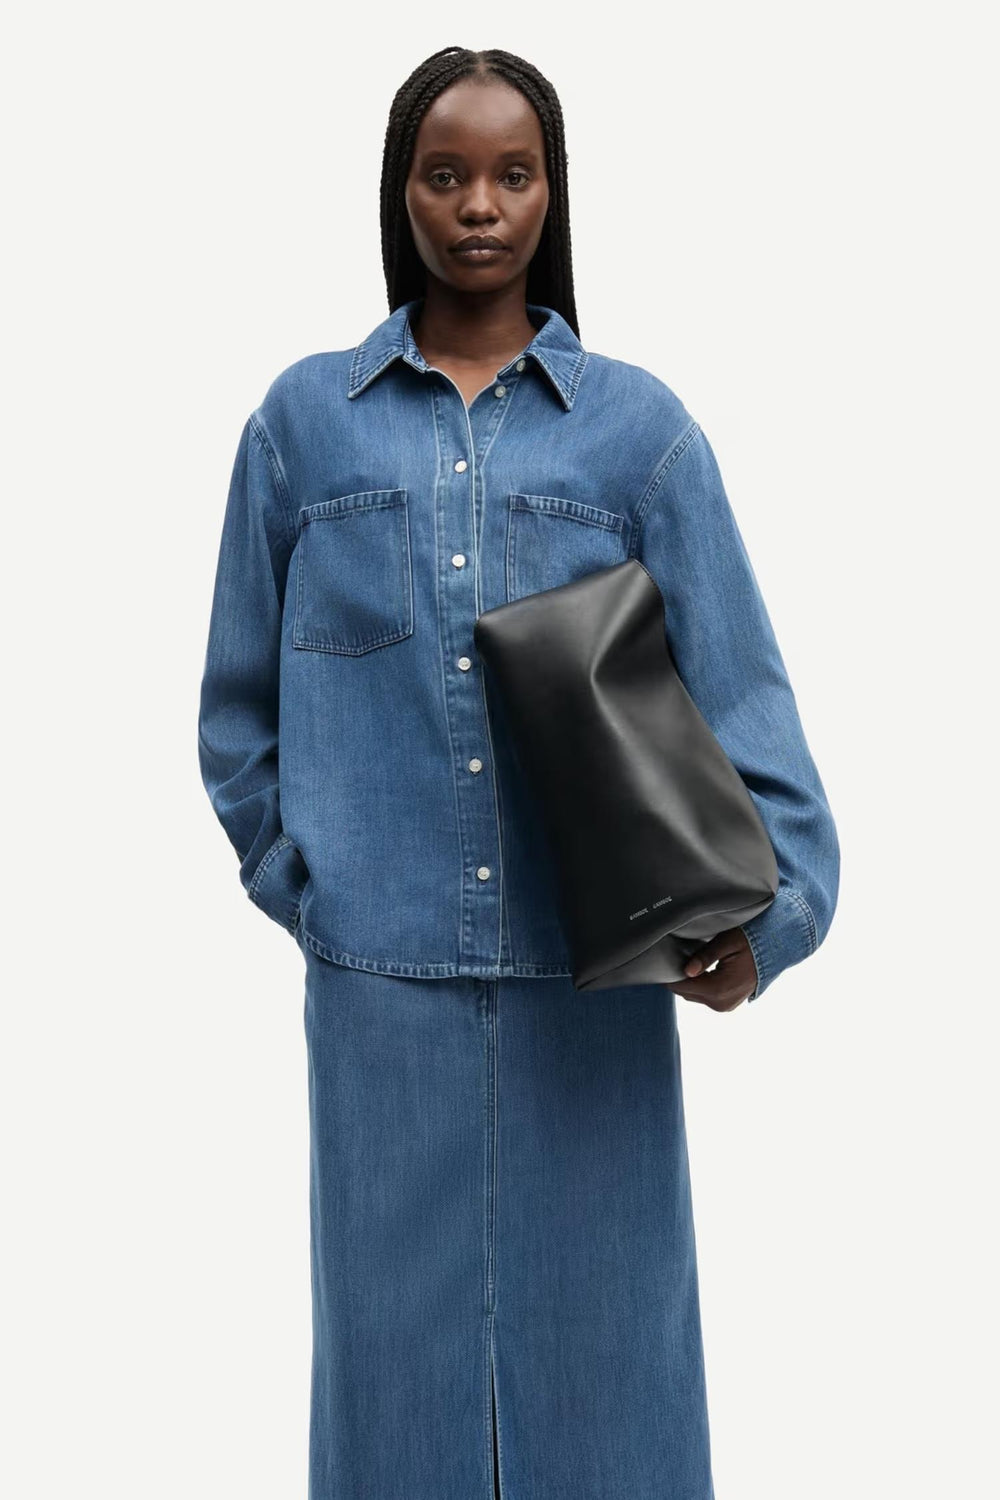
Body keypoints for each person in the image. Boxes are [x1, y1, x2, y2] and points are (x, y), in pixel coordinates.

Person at [197, 44, 840, 1500]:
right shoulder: (303, 428)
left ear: (553, 193)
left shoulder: (640, 433)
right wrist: (309, 887)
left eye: (511, 173)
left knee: (612, 1366)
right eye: (446, 175)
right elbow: (237, 709)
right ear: (400, 192)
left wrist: (772, 919)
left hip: (593, 979)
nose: (478, 205)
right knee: (389, 1374)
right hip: (381, 994)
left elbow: (744, 690)